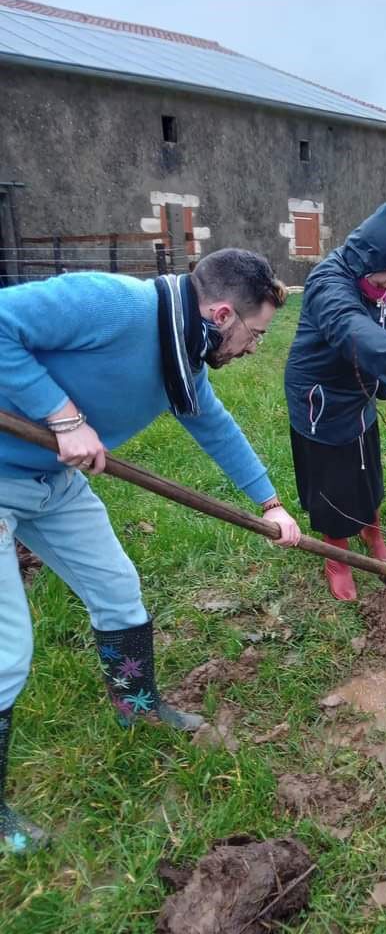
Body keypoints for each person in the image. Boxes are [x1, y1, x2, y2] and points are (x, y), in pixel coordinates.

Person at [0, 249, 301, 853]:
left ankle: (135, 704)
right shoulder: (114, 304)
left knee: (118, 592)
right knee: (9, 650)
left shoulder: (182, 357)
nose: (252, 348)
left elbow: (212, 423)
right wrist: (61, 416)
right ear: (220, 315)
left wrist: (269, 503)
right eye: (254, 334)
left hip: (53, 485)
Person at [284, 203, 386, 601]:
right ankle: (337, 555)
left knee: (366, 465)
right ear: (367, 260)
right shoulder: (327, 283)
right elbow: (349, 326)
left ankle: (372, 528)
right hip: (321, 395)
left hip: (358, 390)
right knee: (333, 479)